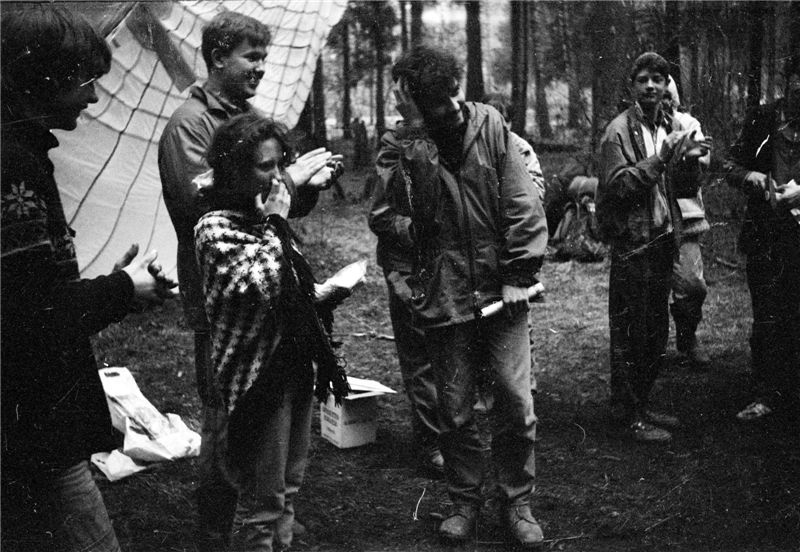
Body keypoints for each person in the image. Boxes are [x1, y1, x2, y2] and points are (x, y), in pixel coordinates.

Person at [1, 6, 176, 551]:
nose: (95, 98)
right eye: (84, 82)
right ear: (42, 78)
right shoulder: (12, 164)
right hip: (33, 425)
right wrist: (123, 289)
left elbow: (27, 286)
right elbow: (28, 315)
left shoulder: (22, 152)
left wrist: (116, 286)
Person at [157, 11, 336, 543]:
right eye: (251, 57)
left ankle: (265, 513)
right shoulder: (189, 124)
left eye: (264, 58)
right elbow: (200, 207)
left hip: (269, 290)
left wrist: (304, 187)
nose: (261, 68)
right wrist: (288, 180)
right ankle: (221, 529)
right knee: (226, 414)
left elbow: (273, 206)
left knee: (268, 408)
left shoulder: (252, 117)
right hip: (224, 297)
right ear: (218, 57)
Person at [376, 45, 548, 547]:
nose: (450, 110)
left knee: (515, 401)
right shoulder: (398, 143)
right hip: (445, 293)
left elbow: (522, 201)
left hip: (501, 290)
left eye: (450, 97)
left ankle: (517, 501)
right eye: (434, 104)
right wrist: (415, 135)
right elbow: (393, 214)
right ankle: (464, 501)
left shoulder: (490, 125)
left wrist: (518, 272)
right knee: (453, 410)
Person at [193, 113, 349, 552]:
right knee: (262, 500)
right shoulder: (215, 228)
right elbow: (260, 283)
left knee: (288, 485)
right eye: (266, 166)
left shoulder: (261, 217)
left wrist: (324, 295)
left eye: (281, 163)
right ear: (234, 170)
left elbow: (288, 281)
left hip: (293, 366)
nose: (279, 176)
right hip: (256, 380)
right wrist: (278, 222)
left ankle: (283, 544)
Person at [596, 52, 711, 443]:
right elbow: (618, 186)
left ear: (666, 87)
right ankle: (628, 415)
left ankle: (642, 406)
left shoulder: (669, 126)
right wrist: (660, 158)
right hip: (633, 244)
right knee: (630, 331)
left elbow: (680, 188)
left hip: (663, 239)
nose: (650, 86)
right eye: (643, 79)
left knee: (655, 333)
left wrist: (690, 161)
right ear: (632, 86)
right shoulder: (617, 131)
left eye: (658, 80)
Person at [723, 55, 800, 420]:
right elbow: (729, 165)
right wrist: (749, 177)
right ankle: (766, 393)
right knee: (768, 314)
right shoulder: (763, 119)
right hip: (766, 235)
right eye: (798, 85)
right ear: (788, 83)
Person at [662, 77, 712, 367]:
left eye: (668, 97)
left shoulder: (688, 123)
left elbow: (704, 159)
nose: (663, 102)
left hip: (684, 214)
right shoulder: (638, 127)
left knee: (693, 285)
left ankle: (687, 333)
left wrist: (688, 155)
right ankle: (650, 348)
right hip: (653, 215)